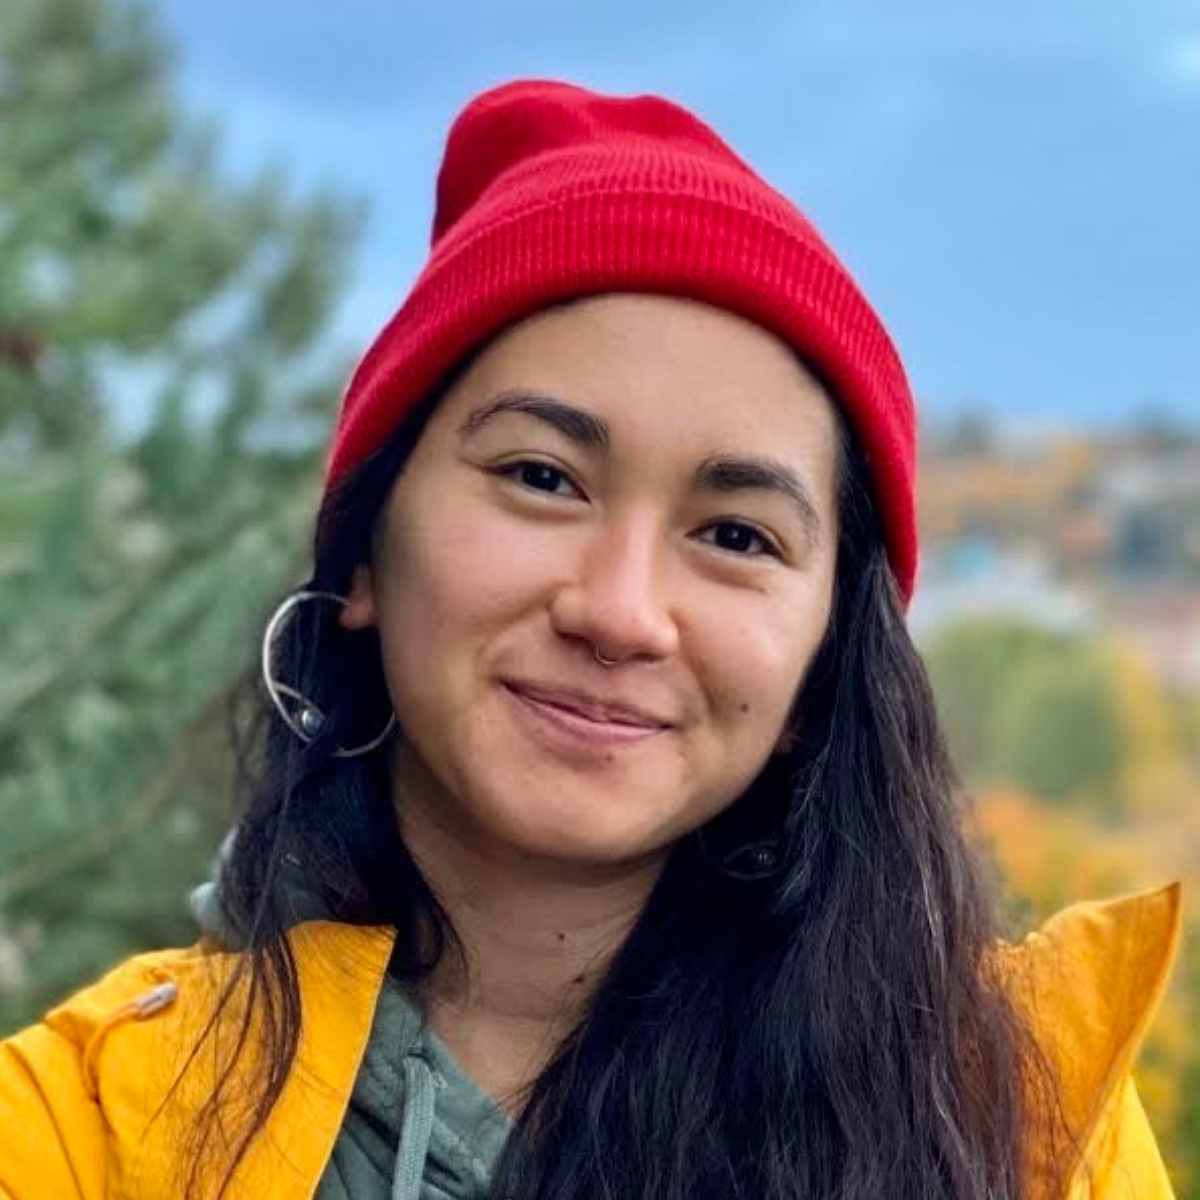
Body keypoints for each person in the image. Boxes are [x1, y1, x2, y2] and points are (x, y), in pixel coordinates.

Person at [0, 78, 1184, 1200]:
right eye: (541, 476)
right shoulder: (88, 1125)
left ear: (825, 661)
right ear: (365, 549)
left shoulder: (1020, 1127)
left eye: (736, 534)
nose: (619, 612)